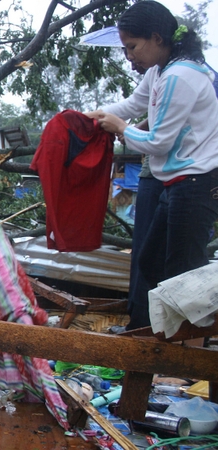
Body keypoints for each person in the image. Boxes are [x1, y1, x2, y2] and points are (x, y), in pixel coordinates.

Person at [86, 1, 218, 328]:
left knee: (183, 272)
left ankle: (189, 352)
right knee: (151, 262)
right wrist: (93, 115)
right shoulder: (160, 71)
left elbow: (159, 142)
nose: (128, 55)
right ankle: (171, 336)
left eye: (132, 46)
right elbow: (133, 104)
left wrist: (120, 128)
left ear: (157, 38)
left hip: (197, 183)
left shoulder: (181, 76)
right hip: (174, 184)